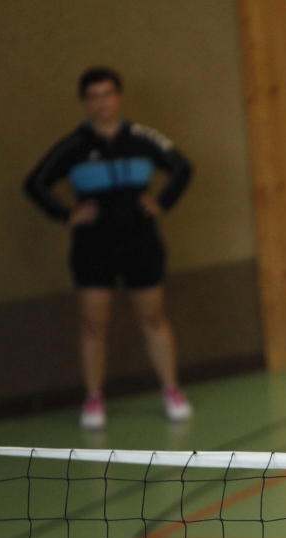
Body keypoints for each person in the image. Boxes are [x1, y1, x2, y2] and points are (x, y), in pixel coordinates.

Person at [23, 66, 193, 430]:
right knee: (93, 323)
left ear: (119, 97)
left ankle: (171, 390)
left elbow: (182, 168)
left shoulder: (143, 139)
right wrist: (66, 214)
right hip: (93, 245)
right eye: (94, 96)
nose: (102, 102)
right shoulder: (73, 147)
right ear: (85, 103)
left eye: (108, 94)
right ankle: (94, 397)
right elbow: (35, 183)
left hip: (141, 241)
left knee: (152, 317)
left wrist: (161, 202)